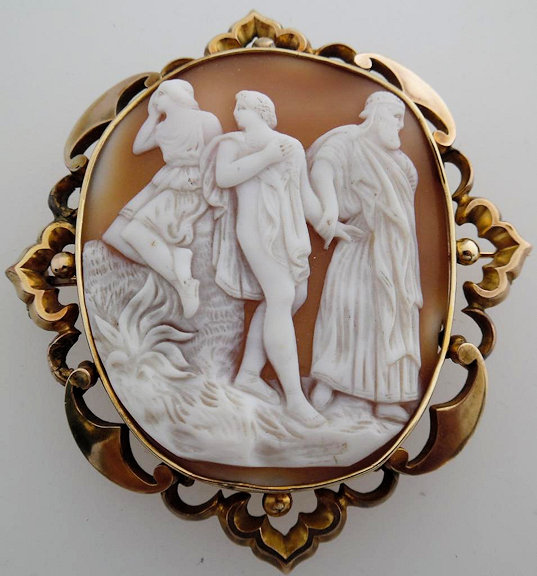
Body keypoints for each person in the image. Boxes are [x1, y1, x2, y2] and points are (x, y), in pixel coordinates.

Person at [202, 90, 356, 426]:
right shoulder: (232, 144)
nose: (236, 112)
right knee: (282, 296)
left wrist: (329, 226)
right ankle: (294, 398)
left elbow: (304, 196)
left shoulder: (291, 146)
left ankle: (248, 374)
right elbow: (224, 177)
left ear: (261, 111)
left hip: (289, 233)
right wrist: (266, 157)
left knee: (294, 296)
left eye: (242, 107)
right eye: (236, 106)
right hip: (255, 230)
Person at [308, 91, 423, 423]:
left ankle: (387, 395)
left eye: (402, 119)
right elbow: (322, 168)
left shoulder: (402, 162)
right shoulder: (349, 141)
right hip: (358, 241)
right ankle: (328, 380)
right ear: (376, 114)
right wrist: (330, 209)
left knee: (391, 314)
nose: (399, 126)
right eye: (395, 117)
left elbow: (406, 199)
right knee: (345, 308)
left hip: (396, 252)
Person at [102, 79, 222, 318]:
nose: (156, 101)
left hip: (189, 185)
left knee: (134, 232)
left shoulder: (206, 120)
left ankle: (184, 284)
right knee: (113, 235)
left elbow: (216, 156)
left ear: (176, 95)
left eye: (161, 95)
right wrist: (152, 117)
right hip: (164, 182)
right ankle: (175, 266)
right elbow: (138, 147)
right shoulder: (163, 127)